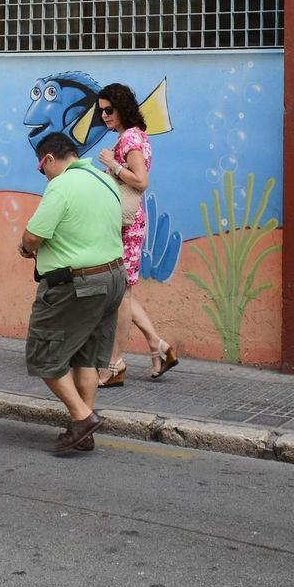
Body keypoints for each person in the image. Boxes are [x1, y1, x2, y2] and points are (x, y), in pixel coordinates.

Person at [18, 132, 127, 455]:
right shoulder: (105, 181)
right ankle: (85, 431)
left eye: (42, 168)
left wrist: (24, 248)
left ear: (49, 159)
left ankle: (81, 418)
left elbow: (33, 236)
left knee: (43, 355)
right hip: (113, 279)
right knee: (86, 357)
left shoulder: (61, 186)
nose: (44, 175)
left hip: (77, 285)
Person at [96, 83, 178, 386]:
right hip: (128, 224)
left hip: (128, 226)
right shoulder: (136, 135)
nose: (104, 115)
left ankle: (115, 363)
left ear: (123, 108)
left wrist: (112, 165)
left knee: (121, 295)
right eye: (101, 110)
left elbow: (140, 182)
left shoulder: (129, 137)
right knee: (124, 293)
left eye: (109, 110)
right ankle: (158, 346)